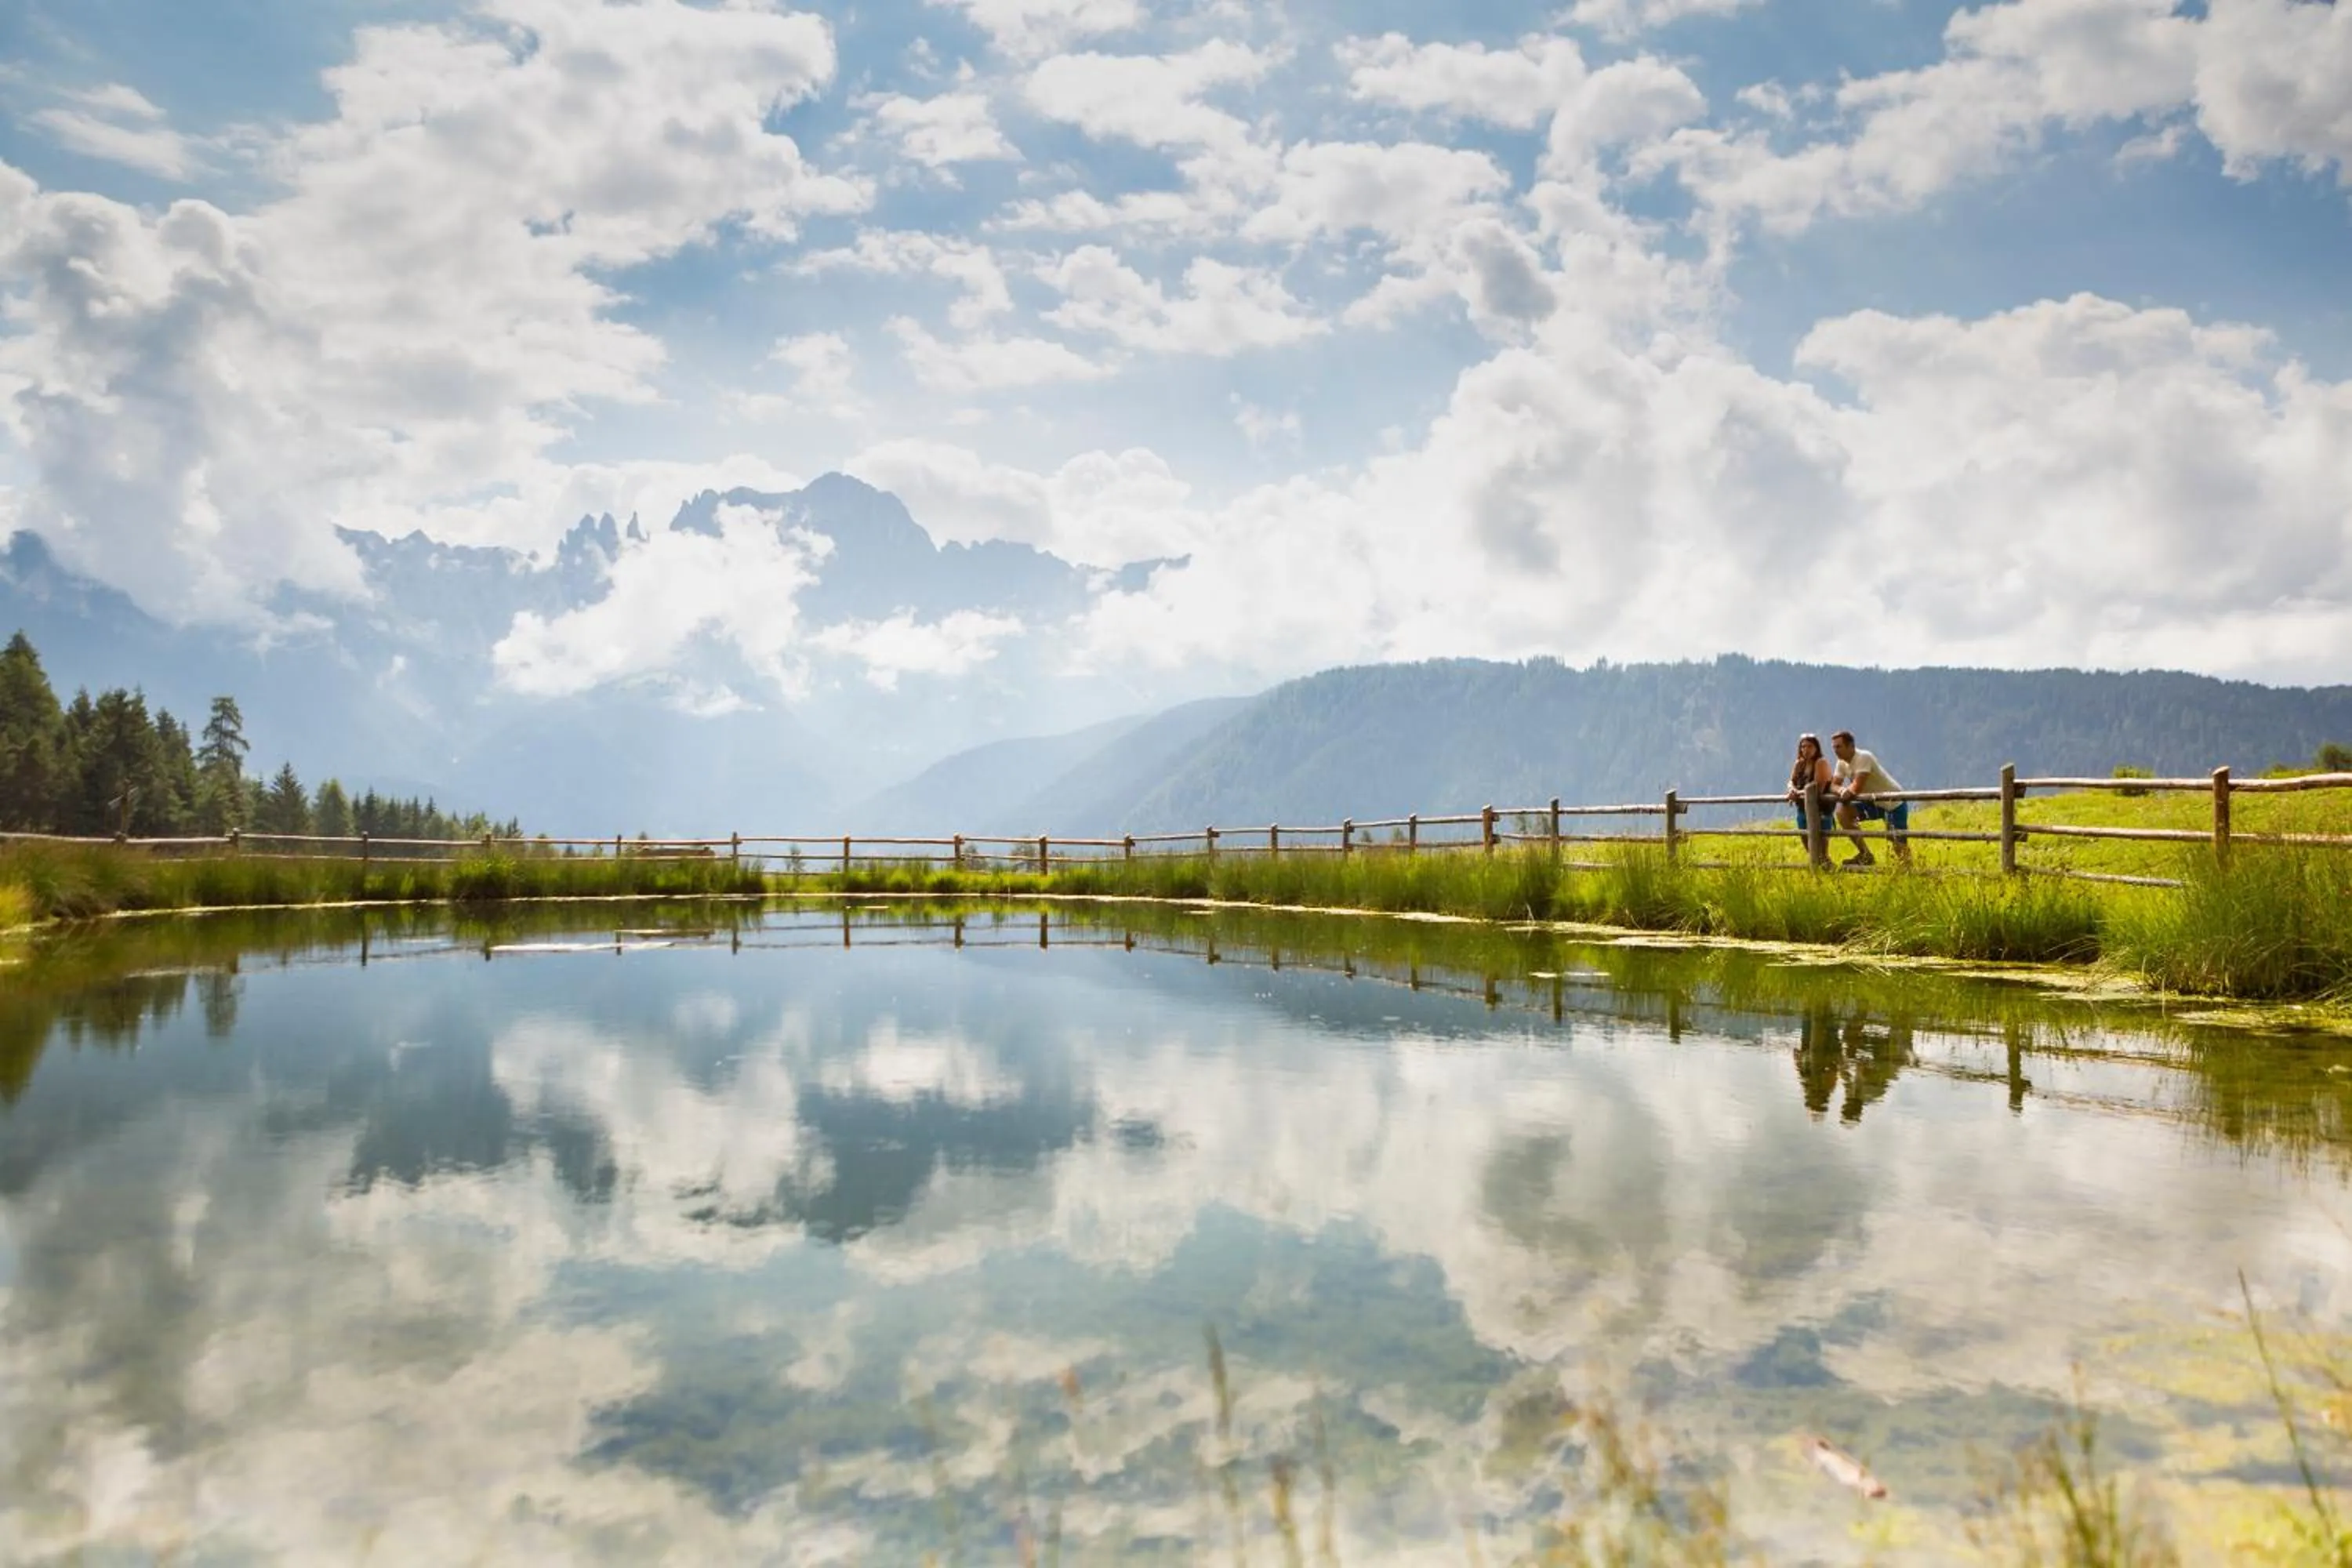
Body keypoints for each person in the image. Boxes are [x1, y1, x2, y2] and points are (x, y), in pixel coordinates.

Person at [1829, 730, 1911, 866]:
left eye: (1839, 747)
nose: (1835, 751)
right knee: (1842, 812)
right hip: (1872, 803)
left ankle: (1909, 873)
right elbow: (1833, 785)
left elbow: (1857, 786)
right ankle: (1865, 855)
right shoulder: (1841, 763)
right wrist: (1841, 790)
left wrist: (1846, 791)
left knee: (1898, 843)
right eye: (1834, 747)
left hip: (1894, 803)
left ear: (1851, 746)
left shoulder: (1864, 757)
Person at [1786, 733, 1833, 841]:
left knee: (1821, 845)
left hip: (1821, 809)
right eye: (1803, 746)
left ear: (1816, 748)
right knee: (1805, 838)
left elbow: (1817, 789)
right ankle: (1814, 859)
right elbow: (1791, 781)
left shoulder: (1821, 763)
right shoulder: (1799, 764)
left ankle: (1823, 859)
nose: (1806, 749)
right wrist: (1791, 789)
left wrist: (1796, 793)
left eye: (1810, 746)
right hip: (1802, 808)